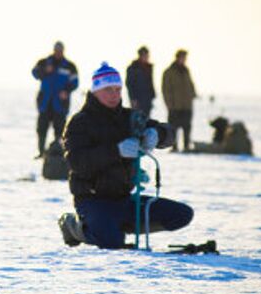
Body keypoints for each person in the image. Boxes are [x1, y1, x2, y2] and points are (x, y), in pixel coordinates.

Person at [58, 62, 193, 249]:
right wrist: (116, 151)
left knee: (182, 214)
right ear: (95, 91)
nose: (114, 95)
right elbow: (78, 163)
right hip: (92, 200)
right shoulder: (80, 122)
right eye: (108, 90)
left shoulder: (131, 118)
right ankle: (73, 225)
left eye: (118, 90)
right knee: (110, 242)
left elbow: (167, 131)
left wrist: (157, 135)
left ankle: (115, 227)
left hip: (124, 199)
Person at [31, 41, 78, 158]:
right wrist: (44, 70)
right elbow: (34, 73)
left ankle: (59, 153)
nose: (58, 52)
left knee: (60, 130)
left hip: (60, 105)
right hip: (45, 103)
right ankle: (41, 152)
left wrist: (66, 91)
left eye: (60, 50)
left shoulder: (70, 66)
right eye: (56, 50)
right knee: (41, 129)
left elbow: (75, 82)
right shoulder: (44, 62)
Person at [161, 49, 197, 151]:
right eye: (183, 57)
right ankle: (174, 146)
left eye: (185, 58)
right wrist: (169, 104)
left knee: (187, 127)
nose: (184, 60)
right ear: (177, 57)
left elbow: (190, 84)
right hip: (175, 106)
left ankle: (186, 146)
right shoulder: (169, 72)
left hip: (187, 105)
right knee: (173, 128)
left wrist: (193, 95)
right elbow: (166, 89)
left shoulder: (186, 70)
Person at [125, 45, 156, 118]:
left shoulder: (149, 67)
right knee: (137, 121)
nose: (147, 57)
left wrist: (152, 95)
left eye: (147, 55)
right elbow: (129, 84)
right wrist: (133, 99)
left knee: (146, 120)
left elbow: (150, 82)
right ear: (140, 55)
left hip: (147, 100)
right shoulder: (133, 68)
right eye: (145, 55)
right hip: (137, 100)